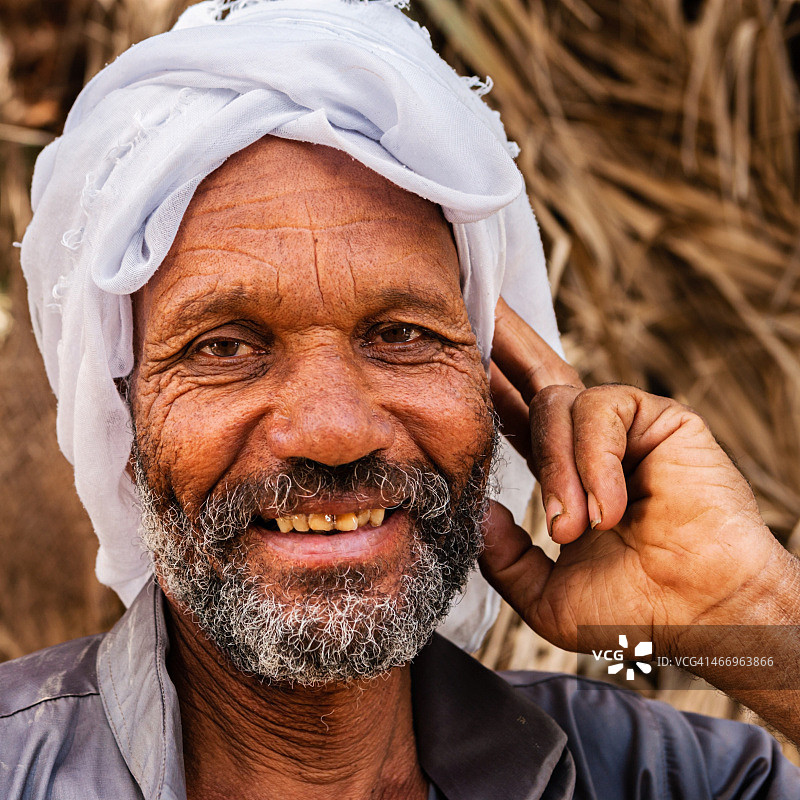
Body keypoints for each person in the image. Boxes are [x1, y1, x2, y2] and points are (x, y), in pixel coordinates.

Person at [2, 1, 799, 798]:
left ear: (489, 386)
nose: (335, 431)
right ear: (123, 421)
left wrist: (753, 612)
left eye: (402, 334)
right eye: (225, 348)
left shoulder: (668, 780)